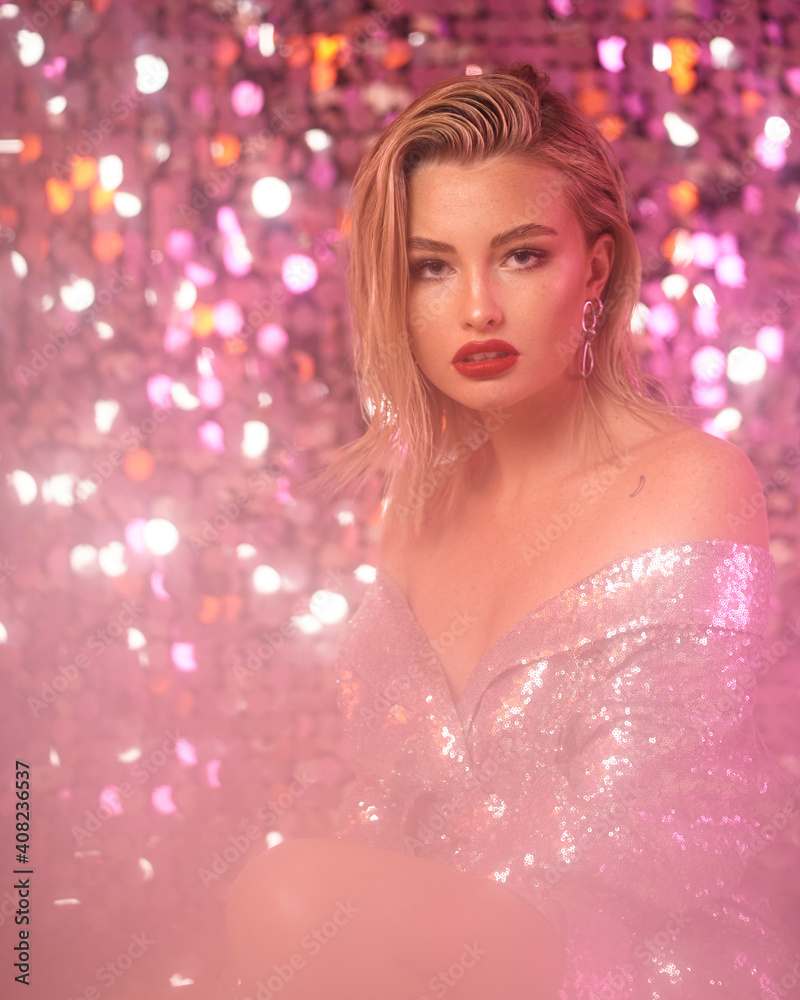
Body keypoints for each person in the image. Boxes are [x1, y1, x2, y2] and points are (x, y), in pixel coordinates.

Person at [223, 66, 799, 999]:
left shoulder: (689, 482)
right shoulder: (418, 502)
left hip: (620, 960)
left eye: (521, 255)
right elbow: (383, 803)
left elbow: (637, 847)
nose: (477, 307)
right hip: (428, 965)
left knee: (287, 899)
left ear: (597, 268)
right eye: (432, 266)